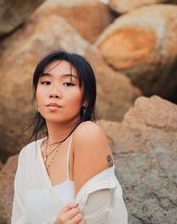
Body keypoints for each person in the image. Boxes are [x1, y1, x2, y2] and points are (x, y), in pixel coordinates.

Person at [12, 51, 128, 224]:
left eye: (68, 83)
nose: (54, 92)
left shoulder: (87, 135)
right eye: (45, 82)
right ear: (36, 98)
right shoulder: (28, 155)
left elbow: (96, 220)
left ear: (86, 100)